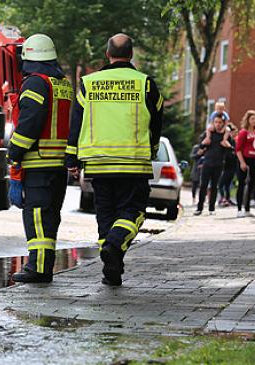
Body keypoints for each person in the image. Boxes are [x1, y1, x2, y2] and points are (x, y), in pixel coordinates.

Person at [66, 33, 163, 286]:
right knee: (134, 212)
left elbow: (76, 123)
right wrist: (152, 150)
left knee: (106, 215)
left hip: (98, 163)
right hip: (133, 162)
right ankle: (114, 245)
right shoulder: (146, 84)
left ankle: (112, 271)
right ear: (131, 55)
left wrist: (71, 159)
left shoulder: (88, 83)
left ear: (107, 54)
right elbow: (156, 121)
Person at [7, 34, 72, 283]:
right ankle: (44, 266)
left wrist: (15, 151)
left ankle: (38, 269)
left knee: (37, 216)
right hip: (58, 164)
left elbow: (30, 122)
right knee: (50, 217)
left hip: (38, 162)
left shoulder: (35, 83)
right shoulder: (63, 83)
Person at [194, 114, 231, 215]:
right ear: (213, 123)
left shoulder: (226, 136)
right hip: (207, 163)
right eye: (216, 122)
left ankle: (211, 208)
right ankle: (199, 208)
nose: (218, 124)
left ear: (223, 123)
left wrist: (228, 146)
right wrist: (203, 143)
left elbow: (230, 152)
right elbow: (200, 147)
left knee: (215, 186)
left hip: (219, 164)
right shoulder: (209, 133)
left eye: (220, 122)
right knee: (203, 186)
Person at [235, 110, 255, 218]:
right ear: (247, 120)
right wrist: (242, 162)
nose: (254, 121)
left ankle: (247, 209)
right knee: (241, 183)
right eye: (252, 119)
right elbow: (238, 149)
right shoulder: (243, 132)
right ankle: (239, 209)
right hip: (244, 159)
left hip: (254, 159)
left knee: (251, 184)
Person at [218, 123, 238, 207]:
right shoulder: (224, 141)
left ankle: (226, 199)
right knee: (223, 185)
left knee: (224, 185)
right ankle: (224, 198)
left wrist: (231, 148)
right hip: (225, 166)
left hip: (230, 166)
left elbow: (234, 153)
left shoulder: (232, 142)